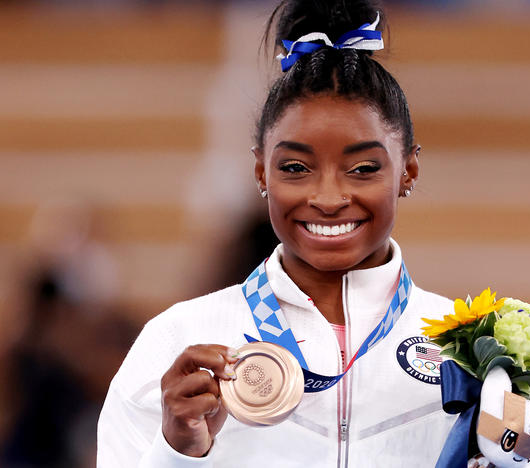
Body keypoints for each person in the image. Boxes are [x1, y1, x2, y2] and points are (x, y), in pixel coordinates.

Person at [97, 1, 488, 465]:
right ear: (261, 173)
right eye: (295, 168)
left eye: (363, 168)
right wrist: (178, 453)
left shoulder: (473, 353)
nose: (327, 197)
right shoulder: (176, 339)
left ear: (409, 170)